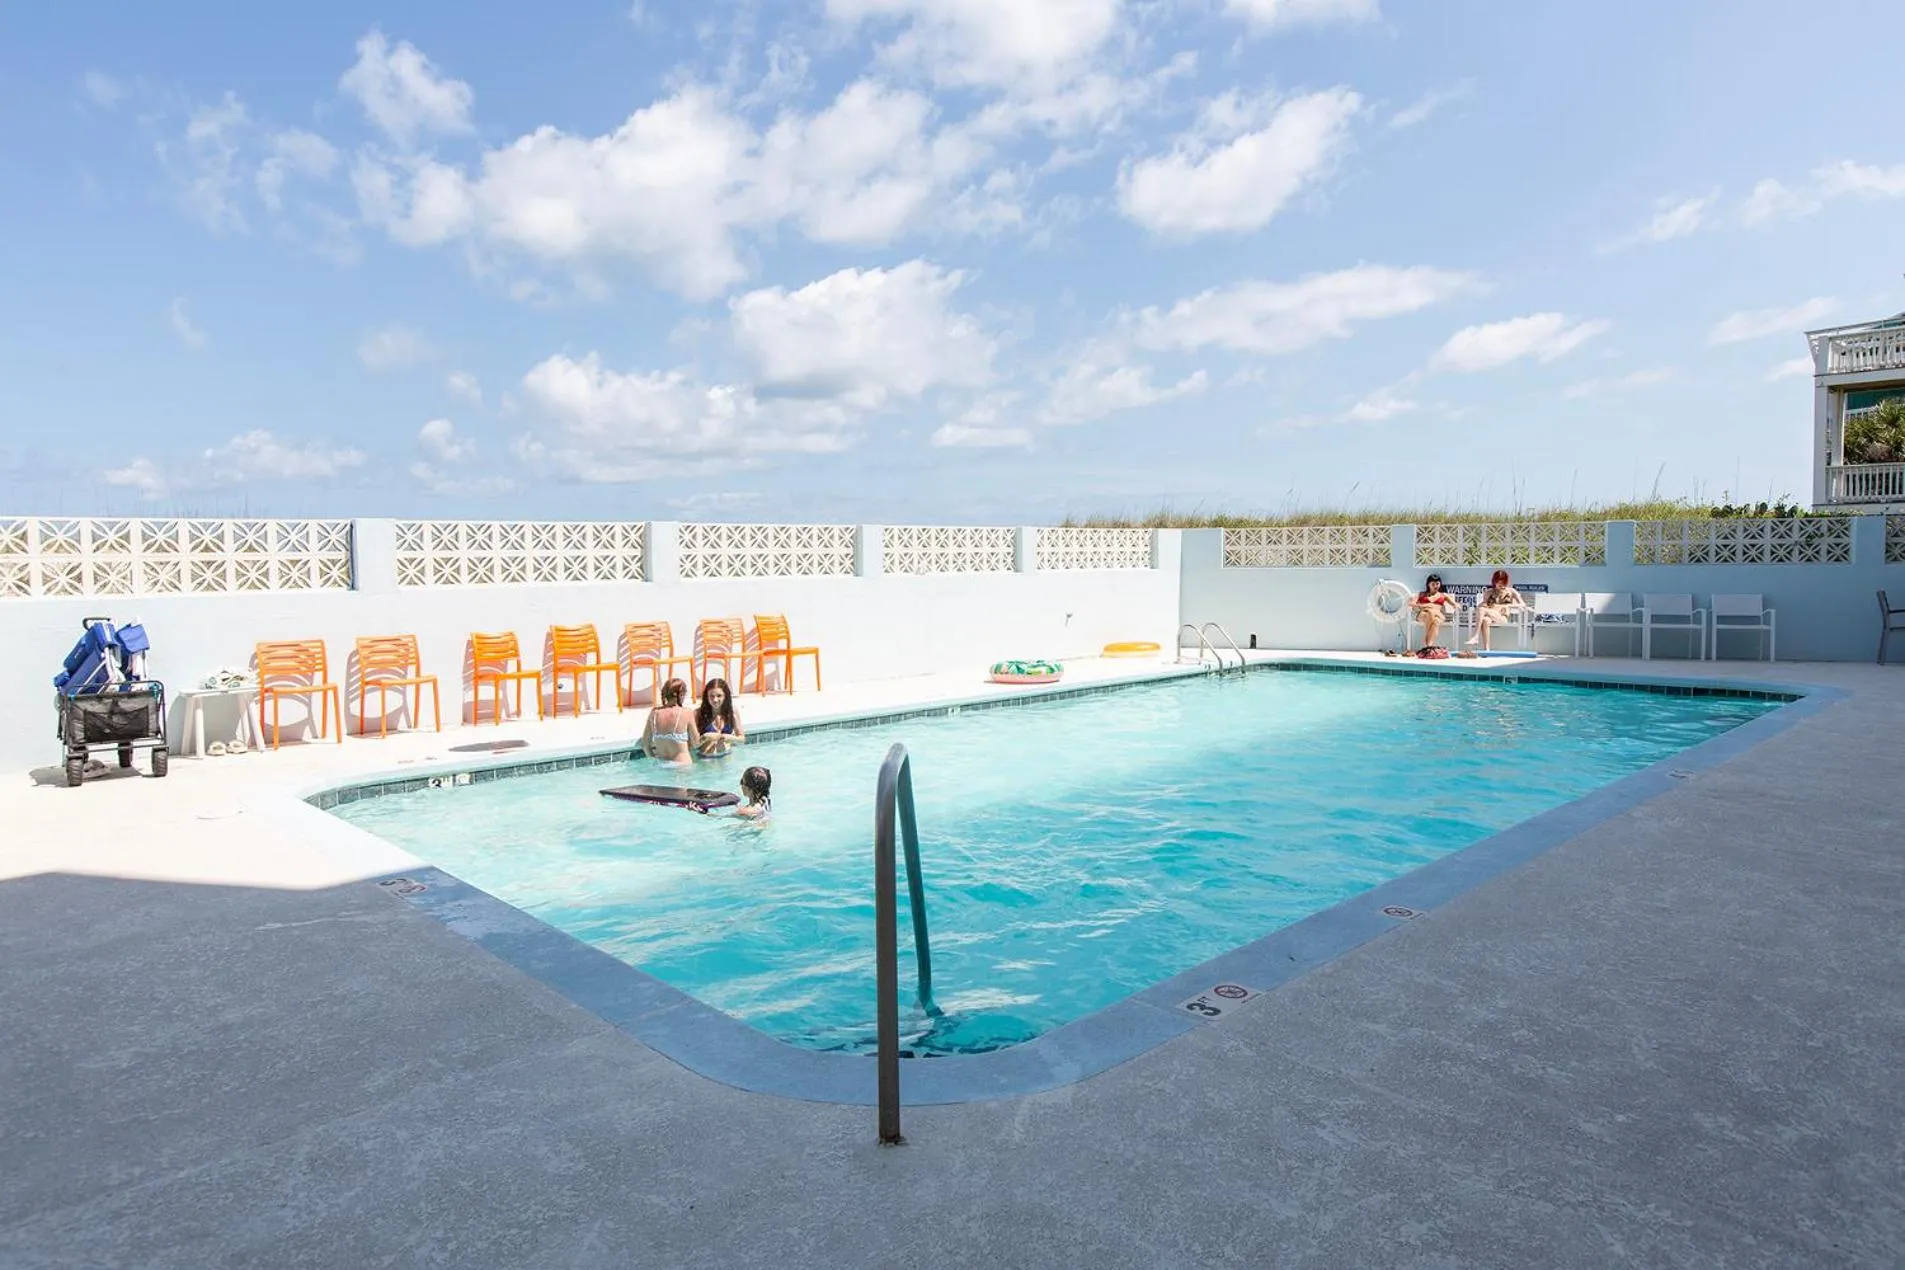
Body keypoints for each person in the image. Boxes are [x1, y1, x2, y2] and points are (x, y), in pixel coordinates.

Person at [641, 677, 700, 766]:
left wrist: (653, 758)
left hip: (661, 765)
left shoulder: (654, 713)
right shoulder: (686, 713)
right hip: (682, 765)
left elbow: (645, 744)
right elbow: (696, 743)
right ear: (680, 694)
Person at [1467, 569, 1526, 651]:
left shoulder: (1511, 591)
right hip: (1490, 615)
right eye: (1498, 582)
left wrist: (1508, 605)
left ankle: (1476, 636)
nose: (1500, 584)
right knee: (1485, 620)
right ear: (1494, 582)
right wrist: (1483, 604)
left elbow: (1523, 604)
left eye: (1502, 582)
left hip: (1502, 617)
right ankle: (1486, 649)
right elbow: (1485, 605)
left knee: (1481, 610)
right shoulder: (1489, 592)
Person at [695, 677, 746, 757]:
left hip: (726, 757)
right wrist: (705, 737)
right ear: (706, 697)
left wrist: (729, 737)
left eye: (719, 696)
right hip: (705, 758)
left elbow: (742, 739)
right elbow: (692, 745)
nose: (715, 700)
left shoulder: (732, 712)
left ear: (725, 696)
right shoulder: (698, 713)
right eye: (711, 696)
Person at [1411, 573, 1460, 649]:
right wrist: (1426, 606)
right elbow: (1411, 603)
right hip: (1423, 614)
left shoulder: (1443, 595)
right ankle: (1428, 646)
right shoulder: (1422, 594)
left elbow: (1455, 604)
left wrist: (1456, 605)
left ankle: (1428, 646)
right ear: (1428, 584)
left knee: (1436, 620)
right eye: (1433, 584)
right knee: (1431, 614)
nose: (1435, 586)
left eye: (1437, 584)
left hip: (1437, 615)